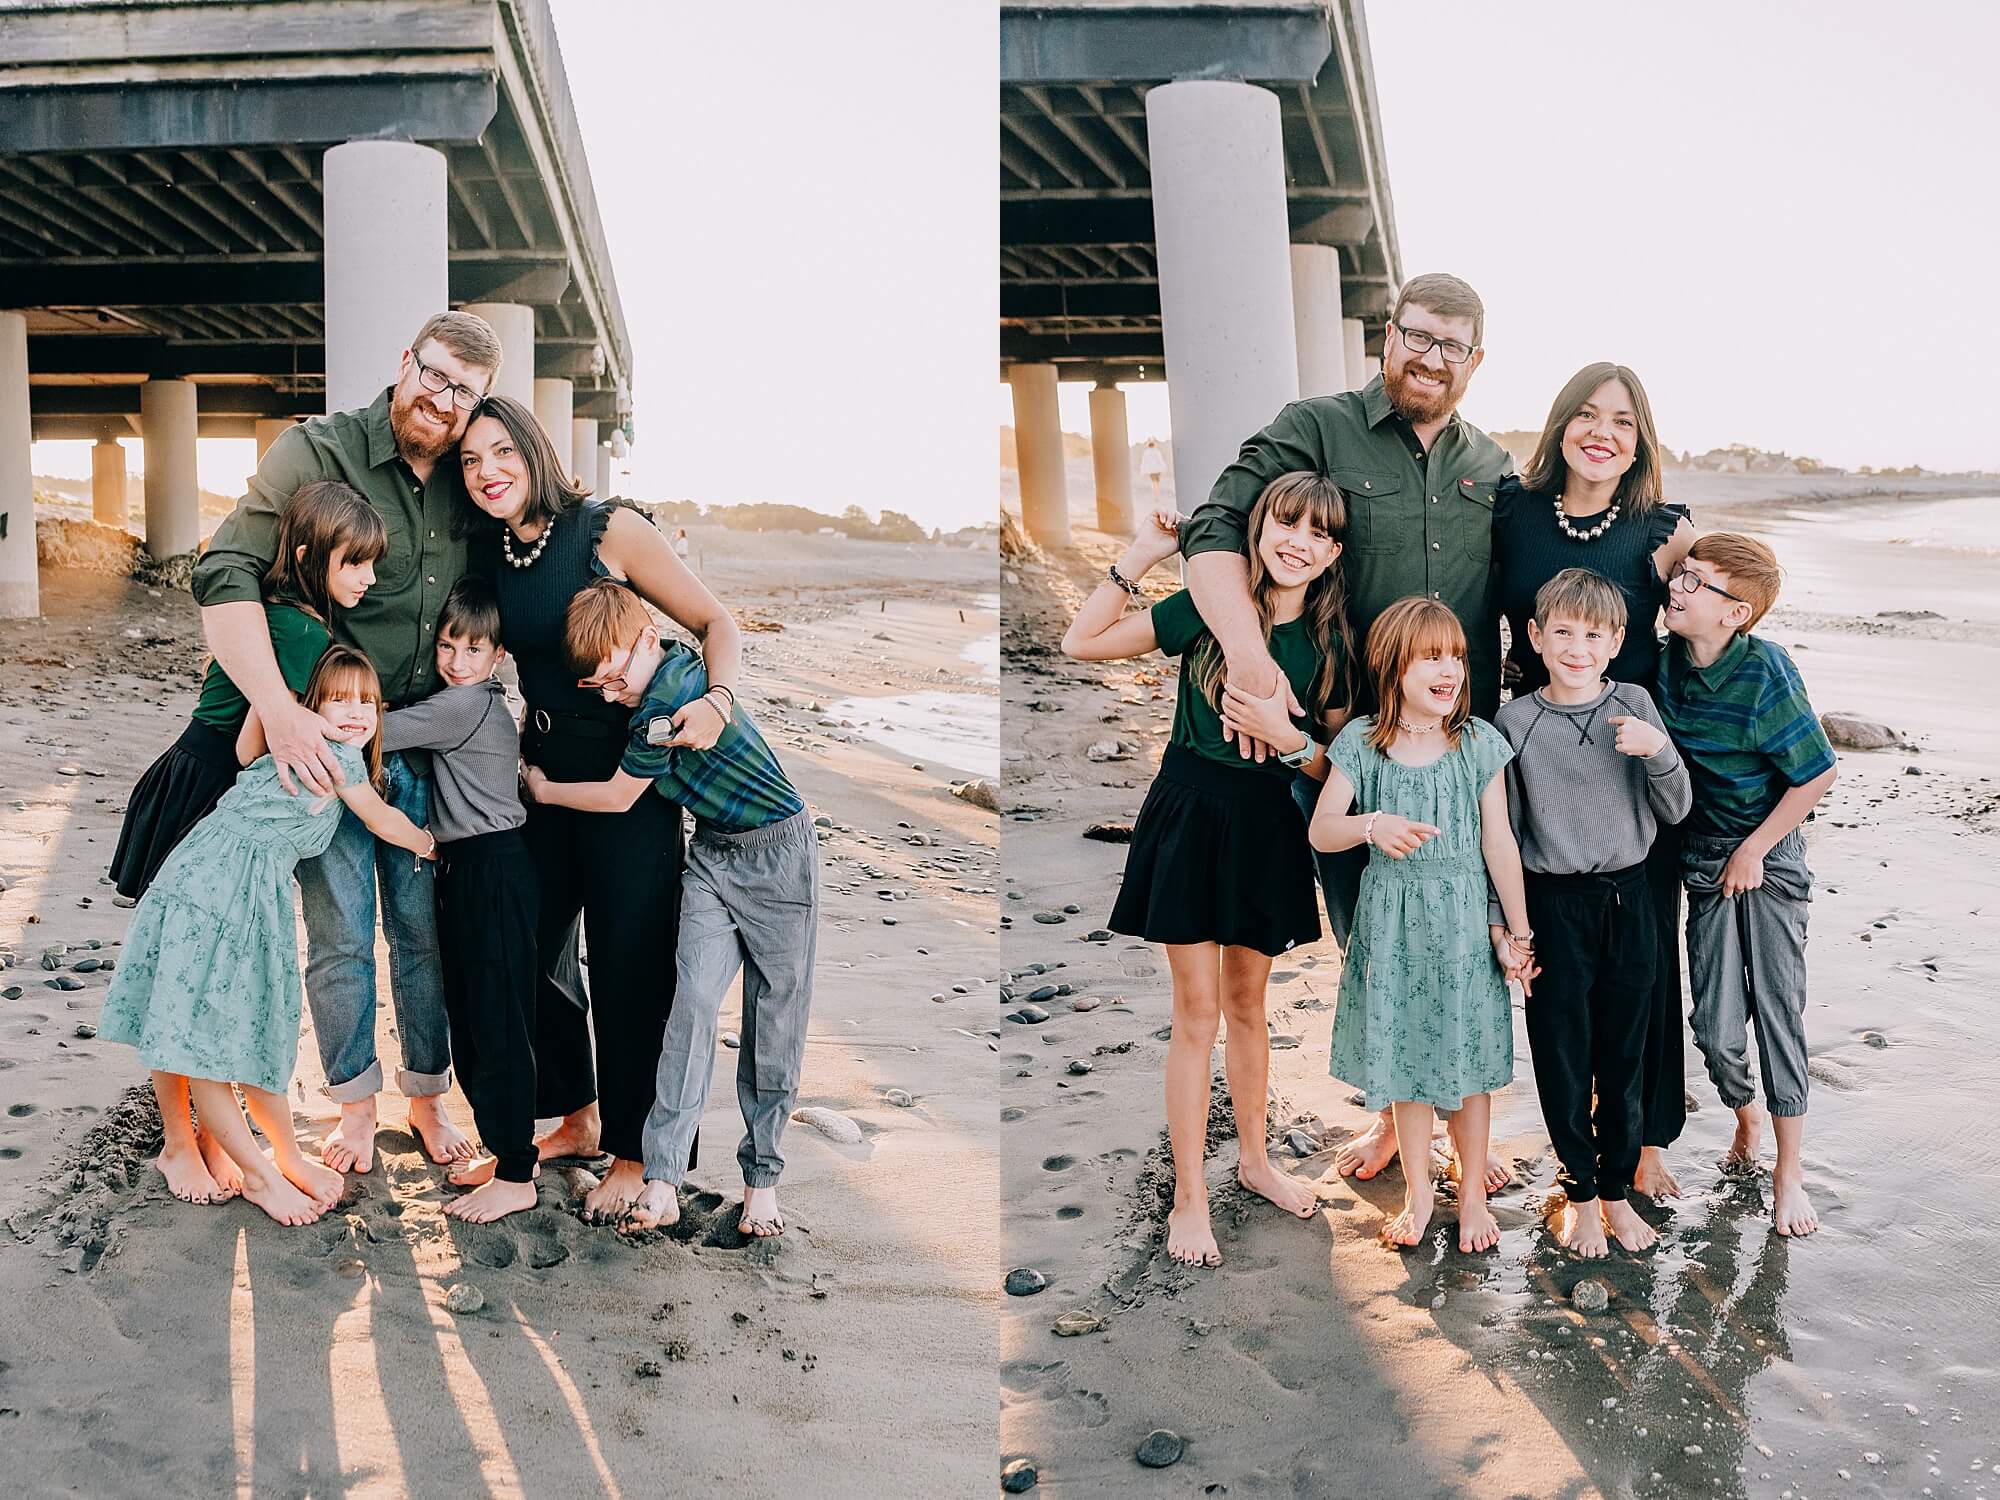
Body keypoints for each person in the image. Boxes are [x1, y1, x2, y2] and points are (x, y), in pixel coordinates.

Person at [1181, 274, 1517, 1188]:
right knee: (1371, 937)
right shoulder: (1316, 427)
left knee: (1463, 936)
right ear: (1387, 336)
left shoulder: (1493, 465)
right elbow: (1214, 524)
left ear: (1474, 361)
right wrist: (1248, 658)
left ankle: (1454, 1125)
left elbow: (1543, 582)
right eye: (1416, 335)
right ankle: (1396, 1118)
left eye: (1451, 345)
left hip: (1461, 750)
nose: (1429, 357)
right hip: (1346, 751)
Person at [194, 310, 505, 1176]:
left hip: (424, 752)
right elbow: (225, 569)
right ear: (405, 361)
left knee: (420, 935)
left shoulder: (471, 477)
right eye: (435, 376)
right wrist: (280, 711)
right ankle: (356, 1108)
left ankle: (428, 1098)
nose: (444, 404)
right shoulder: (315, 453)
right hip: (328, 744)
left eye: (466, 393)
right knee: (335, 937)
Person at [460, 394, 744, 1222]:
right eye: (471, 462)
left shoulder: (604, 528)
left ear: (534, 449)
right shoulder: (487, 546)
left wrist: (718, 700)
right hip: (540, 781)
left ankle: (633, 1148)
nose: (487, 473)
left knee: (631, 965)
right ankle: (576, 1114)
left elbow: (713, 619)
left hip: (632, 779)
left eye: (501, 452)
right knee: (535, 949)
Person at [1062, 474, 1355, 1267]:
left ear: (1334, 553)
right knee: (1196, 1015)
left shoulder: (1332, 644)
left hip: (1268, 825)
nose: (1299, 542)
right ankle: (1189, 1196)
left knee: (1249, 1009)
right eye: (1284, 523)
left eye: (1319, 534)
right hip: (1189, 812)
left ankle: (1255, 1162)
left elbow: (1342, 769)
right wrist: (1143, 554)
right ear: (1258, 529)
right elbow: (1081, 642)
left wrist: (1285, 737)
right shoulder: (1210, 608)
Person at [108, 481, 386, 1206]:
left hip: (194, 775)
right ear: (305, 555)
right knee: (185, 983)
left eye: (372, 564)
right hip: (208, 793)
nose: (367, 578)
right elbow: (278, 737)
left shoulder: (284, 615)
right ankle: (179, 1142)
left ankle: (202, 1135)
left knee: (187, 978)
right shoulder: (303, 635)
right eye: (353, 563)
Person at [97, 647, 437, 1227]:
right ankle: (260, 1175)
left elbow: (246, 745)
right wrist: (432, 845)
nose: (355, 713)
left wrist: (275, 702)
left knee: (258, 1028)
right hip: (221, 893)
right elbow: (381, 819)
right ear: (310, 708)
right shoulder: (339, 760)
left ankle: (282, 1156)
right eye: (338, 699)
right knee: (210, 1039)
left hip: (219, 883)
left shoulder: (285, 748)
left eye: (367, 702)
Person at [523, 578, 818, 1240]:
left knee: (775, 1020)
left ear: (646, 641)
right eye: (596, 688)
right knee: (688, 1006)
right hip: (713, 855)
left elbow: (617, 799)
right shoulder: (662, 672)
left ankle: (761, 1183)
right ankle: (661, 1180)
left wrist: (541, 788)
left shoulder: (664, 706)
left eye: (610, 678)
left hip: (779, 858)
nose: (608, 694)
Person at [1492, 363, 1697, 1201]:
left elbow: (1702, 631)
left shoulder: (1664, 526)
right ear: (1560, 425)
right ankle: (1575, 1151)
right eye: (1585, 415)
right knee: (1556, 971)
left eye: (1621, 419)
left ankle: (1643, 1138)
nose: (1601, 432)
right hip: (1538, 747)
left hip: (1632, 758)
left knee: (1644, 966)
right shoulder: (1511, 510)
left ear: (1640, 437)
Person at [1308, 597, 1532, 1252]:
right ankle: (1419, 1196)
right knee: (1404, 1063)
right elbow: (1324, 829)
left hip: (1463, 920)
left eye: (1458, 657)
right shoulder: (1362, 741)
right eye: (1433, 657)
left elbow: (1500, 844)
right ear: (1393, 664)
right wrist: (1372, 826)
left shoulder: (1477, 743)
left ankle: (1470, 1199)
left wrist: (1518, 933)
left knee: (1466, 1064)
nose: (1450, 670)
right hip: (1392, 922)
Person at [1494, 569, 1691, 1256]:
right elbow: (1504, 837)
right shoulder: (1513, 724)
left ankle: (1616, 1191)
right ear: (1537, 637)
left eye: (1594, 635)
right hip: (1554, 906)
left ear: (1616, 643)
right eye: (1565, 633)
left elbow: (1677, 809)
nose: (1579, 647)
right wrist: (1506, 926)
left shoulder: (1634, 703)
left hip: (1631, 898)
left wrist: (1658, 752)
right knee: (1561, 1054)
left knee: (1625, 1055)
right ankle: (1578, 1193)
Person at [1655, 534, 1836, 1237]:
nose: (1679, 587)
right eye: (1682, 576)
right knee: (1715, 1030)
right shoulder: (1664, 662)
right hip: (1702, 860)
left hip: (1768, 857)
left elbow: (1817, 772)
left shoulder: (1765, 671)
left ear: (1737, 613)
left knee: (1777, 1015)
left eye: (1697, 583)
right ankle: (1745, 1115)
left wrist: (1756, 848)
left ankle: (1789, 1172)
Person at [376, 579, 541, 1223]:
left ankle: (519, 1174)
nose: (455, 661)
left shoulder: (465, 705)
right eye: (447, 645)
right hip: (472, 866)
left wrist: (326, 709)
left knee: (496, 1022)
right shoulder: (474, 698)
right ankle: (504, 1153)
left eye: (473, 650)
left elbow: (383, 730)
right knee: (472, 1016)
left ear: (497, 657)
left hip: (493, 868)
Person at [1138, 437, 1166, 503]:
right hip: (1157, 470)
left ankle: (1156, 496)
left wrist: (1142, 470)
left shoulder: (1147, 452)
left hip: (1152, 470)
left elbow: (1144, 462)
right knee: (1156, 483)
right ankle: (1156, 496)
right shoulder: (1156, 451)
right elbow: (1160, 460)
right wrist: (1163, 467)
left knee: (1155, 483)